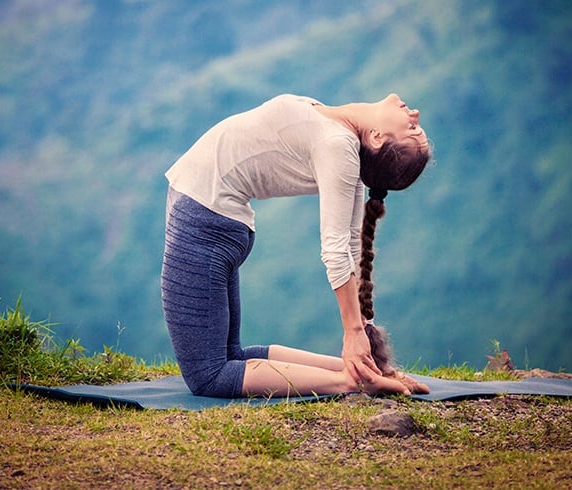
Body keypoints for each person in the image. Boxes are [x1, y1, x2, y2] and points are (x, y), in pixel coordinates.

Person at [161, 93, 432, 398]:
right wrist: (370, 355)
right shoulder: (341, 137)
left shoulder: (338, 146)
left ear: (378, 137)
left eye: (412, 131)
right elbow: (352, 249)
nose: (416, 116)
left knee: (208, 376)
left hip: (205, 223)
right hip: (214, 219)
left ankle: (351, 381)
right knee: (232, 357)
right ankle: (360, 374)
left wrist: (356, 332)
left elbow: (338, 250)